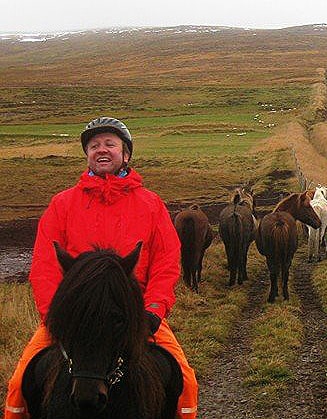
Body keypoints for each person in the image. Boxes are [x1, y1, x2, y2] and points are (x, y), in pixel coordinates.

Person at [4, 117, 198, 419]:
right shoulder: (62, 204)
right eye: (94, 146)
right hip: (74, 319)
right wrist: (56, 317)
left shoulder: (151, 204)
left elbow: (166, 262)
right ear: (87, 155)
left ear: (126, 154)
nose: (102, 150)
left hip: (132, 316)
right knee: (18, 387)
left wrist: (152, 311)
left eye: (110, 144)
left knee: (186, 384)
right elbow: (45, 266)